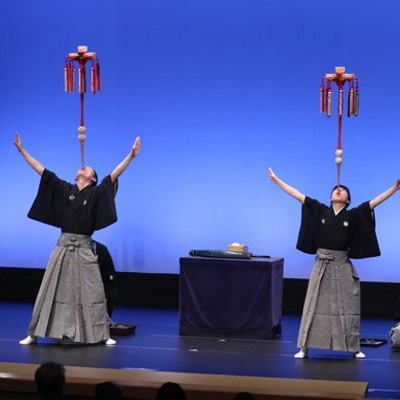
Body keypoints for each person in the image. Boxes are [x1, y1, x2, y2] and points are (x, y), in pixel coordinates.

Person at [14, 132, 141, 345]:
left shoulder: (96, 193)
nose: (84, 168)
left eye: (88, 169)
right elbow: (41, 170)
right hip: (63, 246)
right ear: (77, 177)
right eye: (82, 167)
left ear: (92, 179)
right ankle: (34, 333)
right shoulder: (65, 190)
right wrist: (22, 151)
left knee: (94, 292)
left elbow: (114, 175)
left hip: (84, 247)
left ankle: (102, 334)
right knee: (48, 289)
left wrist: (131, 156)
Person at [269, 167, 400, 359]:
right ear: (331, 197)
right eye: (335, 189)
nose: (339, 190)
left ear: (348, 200)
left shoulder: (353, 215)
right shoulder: (320, 210)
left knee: (349, 306)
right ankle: (304, 347)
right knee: (313, 305)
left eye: (343, 189)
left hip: (342, 262)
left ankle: (354, 348)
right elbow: (297, 195)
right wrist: (276, 180)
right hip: (321, 263)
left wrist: (394, 188)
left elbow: (373, 203)